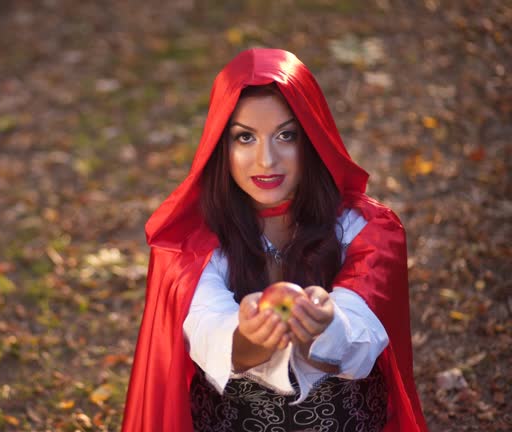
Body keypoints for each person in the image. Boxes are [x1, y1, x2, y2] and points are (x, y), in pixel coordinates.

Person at [122, 48, 428, 431]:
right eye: (245, 137)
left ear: (313, 140)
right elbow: (207, 330)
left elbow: (360, 332)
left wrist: (324, 323)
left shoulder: (367, 230)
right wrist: (250, 336)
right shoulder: (187, 247)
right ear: (221, 147)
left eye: (286, 135)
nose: (267, 160)